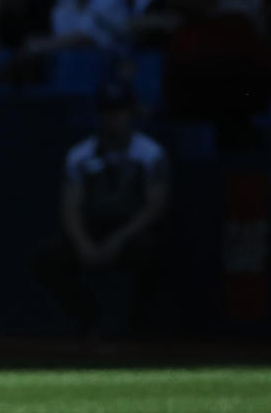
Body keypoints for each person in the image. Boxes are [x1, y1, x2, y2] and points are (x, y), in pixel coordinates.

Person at [32, 82, 169, 335]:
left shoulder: (150, 153)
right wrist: (84, 244)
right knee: (46, 258)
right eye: (107, 111)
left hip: (130, 232)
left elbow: (154, 207)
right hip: (92, 229)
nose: (113, 118)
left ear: (130, 113)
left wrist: (118, 240)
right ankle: (87, 318)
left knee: (156, 254)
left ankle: (140, 328)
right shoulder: (80, 154)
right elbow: (70, 207)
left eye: (119, 110)